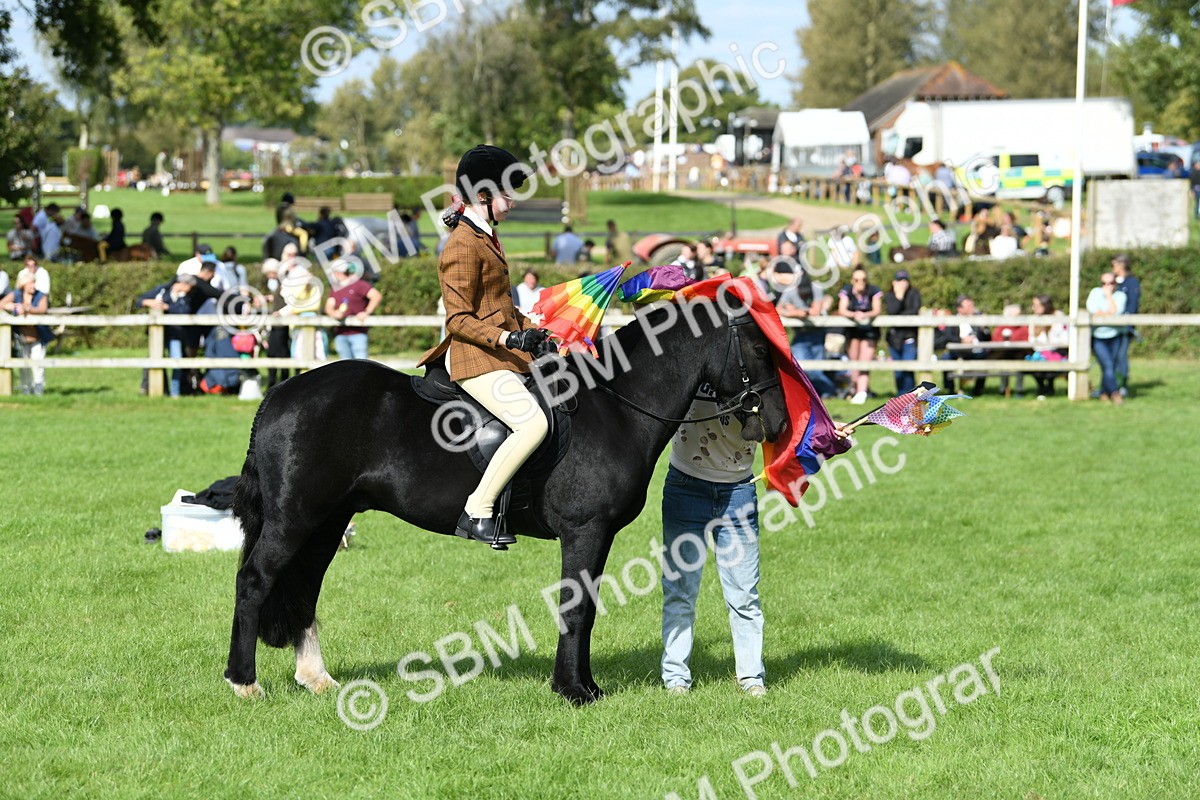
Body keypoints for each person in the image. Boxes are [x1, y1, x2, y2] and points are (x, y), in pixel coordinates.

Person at [415, 144, 550, 549]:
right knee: (533, 424)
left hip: (500, 352)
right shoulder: (461, 244)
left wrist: (537, 327)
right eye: (508, 195)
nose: (512, 203)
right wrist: (509, 338)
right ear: (484, 196)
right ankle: (479, 508)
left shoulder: (486, 236)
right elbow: (458, 319)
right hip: (474, 358)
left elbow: (500, 308)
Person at [660, 378, 766, 697]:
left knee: (744, 592)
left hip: (739, 492)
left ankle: (751, 677)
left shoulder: (758, 370)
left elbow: (795, 414)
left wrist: (827, 429)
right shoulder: (693, 359)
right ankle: (676, 677)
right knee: (680, 589)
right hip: (684, 488)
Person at [774, 259, 836, 398]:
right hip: (801, 335)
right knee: (803, 367)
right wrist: (795, 312)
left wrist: (795, 309)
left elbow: (816, 311)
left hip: (817, 333)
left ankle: (825, 393)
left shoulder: (816, 288)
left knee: (816, 369)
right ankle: (829, 390)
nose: (804, 295)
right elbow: (779, 308)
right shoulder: (790, 290)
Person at [137, 274, 196, 397]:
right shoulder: (162, 290)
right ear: (183, 284)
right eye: (190, 286)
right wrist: (148, 302)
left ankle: (175, 392)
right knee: (154, 360)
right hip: (158, 333)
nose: (190, 289)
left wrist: (167, 307)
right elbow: (140, 300)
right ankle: (152, 388)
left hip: (175, 334)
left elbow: (184, 311)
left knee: (176, 360)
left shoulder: (185, 298)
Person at [0, 271, 53, 394]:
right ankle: (26, 389)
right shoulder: (17, 294)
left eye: (34, 283)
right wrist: (11, 306)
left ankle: (39, 389)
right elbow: (1, 304)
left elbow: (42, 309)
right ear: (24, 284)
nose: (33, 286)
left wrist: (27, 308)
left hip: (38, 336)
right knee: (23, 365)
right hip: (22, 337)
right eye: (31, 283)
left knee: (37, 363)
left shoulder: (41, 296)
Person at [837, 267, 882, 404]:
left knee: (864, 362)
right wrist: (854, 315)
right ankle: (855, 390)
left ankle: (861, 393)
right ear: (852, 280)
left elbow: (876, 309)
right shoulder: (847, 290)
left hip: (869, 330)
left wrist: (864, 315)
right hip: (853, 330)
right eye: (857, 279)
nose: (860, 282)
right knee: (854, 361)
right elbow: (842, 309)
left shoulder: (873, 290)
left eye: (863, 279)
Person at [325, 260, 382, 360]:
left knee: (361, 366)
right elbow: (328, 306)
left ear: (338, 272)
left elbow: (376, 296)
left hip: (358, 333)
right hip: (341, 334)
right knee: (346, 368)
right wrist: (334, 313)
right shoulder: (336, 288)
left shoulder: (359, 284)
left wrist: (366, 312)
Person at [935, 295, 991, 396]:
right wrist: (961, 341)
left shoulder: (978, 320)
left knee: (984, 357)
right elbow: (948, 337)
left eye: (972, 305)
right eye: (968, 306)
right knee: (946, 358)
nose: (972, 308)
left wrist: (984, 329)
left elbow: (987, 338)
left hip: (975, 351)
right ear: (959, 308)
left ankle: (978, 391)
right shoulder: (952, 321)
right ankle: (950, 390)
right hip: (957, 351)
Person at [1087, 272, 1128, 404]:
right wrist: (1107, 314)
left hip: (1115, 336)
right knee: (1108, 364)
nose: (1107, 286)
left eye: (1110, 283)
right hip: (1098, 336)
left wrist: (1109, 297)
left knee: (1110, 366)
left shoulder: (1120, 295)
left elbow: (1116, 312)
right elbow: (1093, 310)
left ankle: (1104, 392)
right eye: (1104, 283)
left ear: (1116, 283)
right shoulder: (1095, 293)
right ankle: (1115, 393)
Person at [883, 270, 922, 395]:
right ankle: (901, 397)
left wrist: (900, 314)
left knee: (908, 368)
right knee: (898, 370)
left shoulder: (914, 293)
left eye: (905, 280)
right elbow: (892, 311)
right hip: (894, 339)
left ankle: (910, 396)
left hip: (909, 336)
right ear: (894, 282)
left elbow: (914, 311)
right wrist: (899, 297)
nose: (903, 283)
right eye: (900, 280)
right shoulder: (889, 295)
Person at [1027, 295, 1067, 399]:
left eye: (1037, 305)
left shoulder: (1058, 317)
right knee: (1033, 362)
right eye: (1033, 305)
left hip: (1057, 351)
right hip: (1039, 352)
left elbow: (1063, 338)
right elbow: (1032, 339)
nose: (1034, 308)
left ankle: (1049, 387)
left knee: (1051, 362)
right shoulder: (1034, 319)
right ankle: (1042, 387)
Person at [1112, 253, 1140, 396]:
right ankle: (1111, 385)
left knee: (1121, 356)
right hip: (1110, 327)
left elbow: (1132, 305)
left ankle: (1122, 385)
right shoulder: (1112, 281)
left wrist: (1128, 324)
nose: (1113, 268)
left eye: (1114, 264)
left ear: (1122, 265)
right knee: (1111, 357)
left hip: (1124, 327)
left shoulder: (1131, 282)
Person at [260, 259, 291, 388]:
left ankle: (278, 382)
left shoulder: (285, 283)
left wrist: (281, 312)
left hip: (281, 323)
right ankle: (277, 382)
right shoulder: (281, 283)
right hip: (277, 323)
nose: (268, 277)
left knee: (279, 351)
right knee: (275, 351)